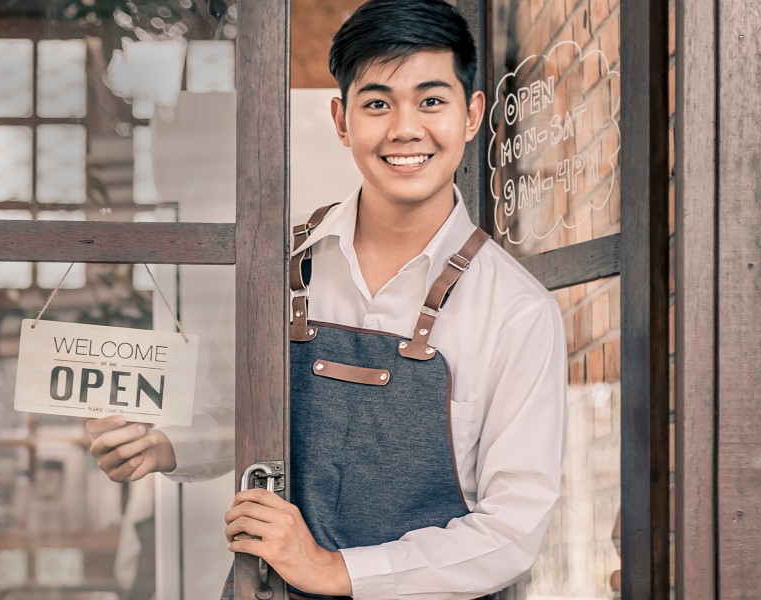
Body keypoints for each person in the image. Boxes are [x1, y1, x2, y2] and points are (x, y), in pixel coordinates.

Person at [85, 1, 567, 598]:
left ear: (472, 115)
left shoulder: (517, 311)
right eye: (377, 103)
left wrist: (334, 570)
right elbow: (242, 416)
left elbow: (513, 530)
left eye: (432, 100)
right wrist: (164, 444)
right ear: (341, 120)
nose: (405, 128)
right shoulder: (277, 267)